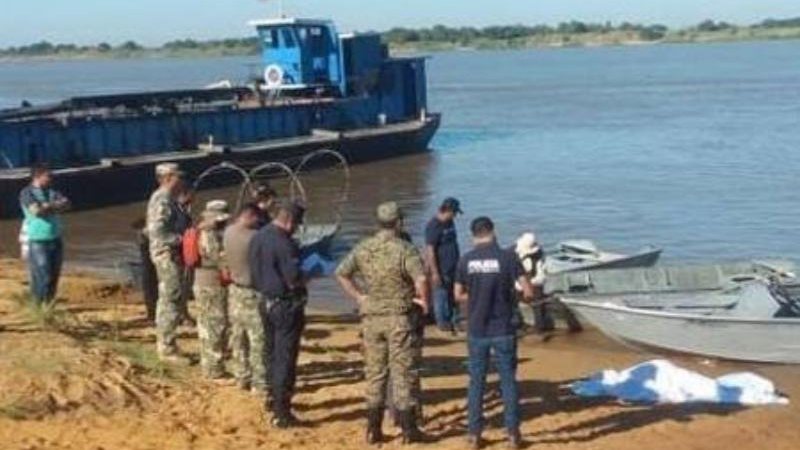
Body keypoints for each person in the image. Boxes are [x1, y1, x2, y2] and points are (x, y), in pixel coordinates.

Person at [336, 201, 429, 445]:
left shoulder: (363, 248)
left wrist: (359, 296)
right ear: (399, 222)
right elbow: (421, 279)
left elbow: (341, 273)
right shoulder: (405, 249)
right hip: (399, 318)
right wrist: (424, 301)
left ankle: (373, 429)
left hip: (371, 318)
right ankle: (409, 430)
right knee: (402, 373)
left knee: (375, 374)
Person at [454, 217, 534, 450]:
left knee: (476, 382)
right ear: (493, 232)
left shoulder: (465, 260)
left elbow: (458, 295)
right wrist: (515, 296)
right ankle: (512, 435)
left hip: (477, 329)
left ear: (473, 235)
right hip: (503, 328)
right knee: (508, 382)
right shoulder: (508, 257)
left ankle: (474, 434)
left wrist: (476, 297)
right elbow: (528, 291)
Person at [249, 201, 307, 428]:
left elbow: (253, 271)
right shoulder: (285, 243)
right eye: (297, 224)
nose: (297, 229)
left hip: (265, 301)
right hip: (286, 305)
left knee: (271, 352)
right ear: (290, 220)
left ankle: (272, 398)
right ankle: (282, 412)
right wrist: (308, 275)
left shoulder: (258, 236)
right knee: (285, 356)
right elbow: (293, 279)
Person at [224, 204, 270, 393]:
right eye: (256, 219)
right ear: (249, 216)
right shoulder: (255, 238)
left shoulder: (228, 232)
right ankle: (259, 383)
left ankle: (241, 376)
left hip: (234, 291)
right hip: (252, 293)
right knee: (258, 339)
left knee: (238, 337)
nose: (258, 223)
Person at [146, 162, 187, 362]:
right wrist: (182, 240)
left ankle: (167, 342)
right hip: (166, 254)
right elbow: (157, 231)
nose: (182, 180)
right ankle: (166, 347)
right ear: (168, 178)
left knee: (171, 297)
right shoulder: (161, 199)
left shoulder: (171, 199)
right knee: (170, 297)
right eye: (179, 176)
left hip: (172, 254)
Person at [19, 164, 70, 304]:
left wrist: (47, 206)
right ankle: (38, 304)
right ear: (37, 176)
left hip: (56, 238)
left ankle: (49, 305)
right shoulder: (27, 193)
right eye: (48, 176)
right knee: (42, 276)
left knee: (54, 276)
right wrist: (54, 206)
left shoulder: (52, 191)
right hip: (38, 240)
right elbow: (37, 212)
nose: (51, 178)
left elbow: (67, 204)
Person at [515, 232, 582, 334]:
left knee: (536, 301)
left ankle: (538, 326)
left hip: (533, 286)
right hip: (528, 284)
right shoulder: (528, 256)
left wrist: (526, 285)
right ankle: (526, 323)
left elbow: (540, 277)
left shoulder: (535, 259)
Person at [193, 200, 231, 380]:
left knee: (207, 325)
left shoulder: (202, 229)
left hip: (204, 283)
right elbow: (217, 258)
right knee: (215, 325)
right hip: (210, 284)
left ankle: (210, 367)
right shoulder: (209, 232)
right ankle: (214, 371)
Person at [425, 197, 462, 333]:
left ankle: (454, 320)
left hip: (454, 265)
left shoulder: (450, 223)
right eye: (454, 212)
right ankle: (442, 323)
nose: (455, 216)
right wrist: (435, 272)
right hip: (441, 267)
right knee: (441, 295)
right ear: (448, 210)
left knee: (453, 294)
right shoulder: (434, 226)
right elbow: (430, 250)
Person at [132, 217, 158, 322]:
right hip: (149, 263)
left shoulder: (142, 236)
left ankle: (151, 314)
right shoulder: (145, 237)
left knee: (149, 286)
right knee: (151, 286)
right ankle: (152, 314)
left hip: (147, 263)